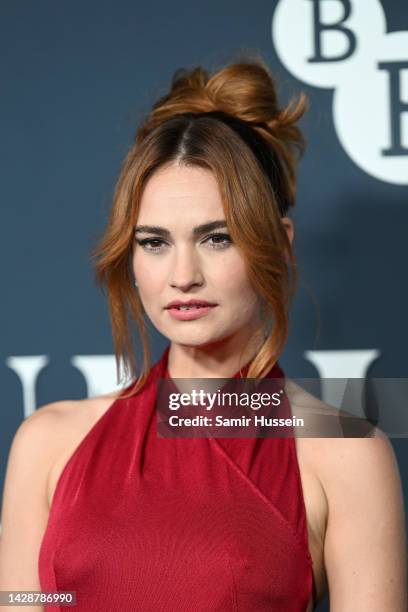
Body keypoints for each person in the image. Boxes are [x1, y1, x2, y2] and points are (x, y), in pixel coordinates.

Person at [0, 55, 406, 611]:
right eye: (154, 242)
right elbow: (17, 601)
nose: (183, 276)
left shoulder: (343, 452)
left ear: (279, 244)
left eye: (217, 238)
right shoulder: (48, 442)